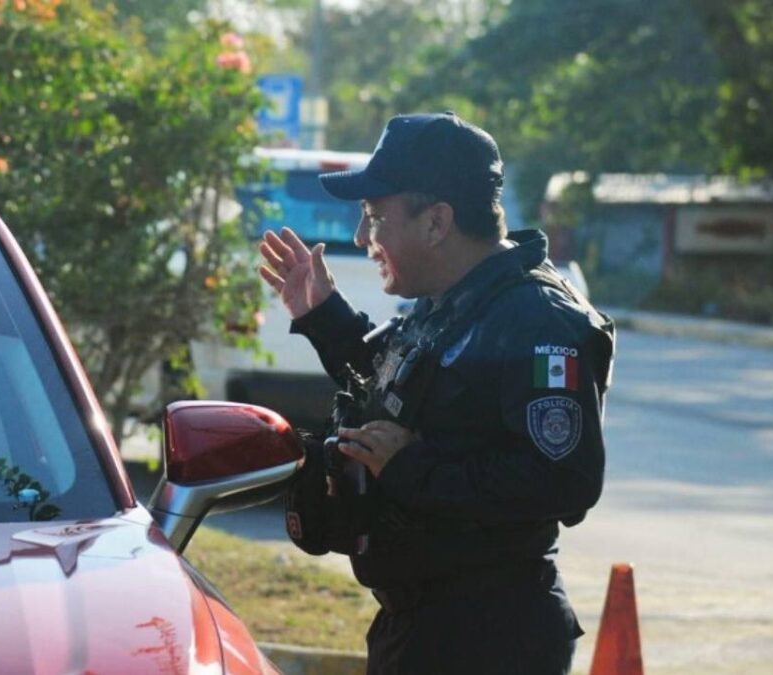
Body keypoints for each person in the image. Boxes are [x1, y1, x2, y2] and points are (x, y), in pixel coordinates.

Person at [259, 111, 615, 674]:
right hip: (421, 628)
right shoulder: (451, 301)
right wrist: (324, 317)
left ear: (436, 222)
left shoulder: (539, 323)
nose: (360, 238)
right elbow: (405, 388)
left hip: (490, 640)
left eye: (375, 217)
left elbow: (563, 481)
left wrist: (410, 468)